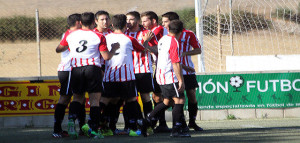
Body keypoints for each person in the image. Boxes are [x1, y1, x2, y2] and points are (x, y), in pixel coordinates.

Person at [56, 12, 119, 139]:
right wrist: (113, 49)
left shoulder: (70, 35)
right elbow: (106, 57)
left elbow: (59, 49)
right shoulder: (98, 36)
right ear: (93, 22)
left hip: (76, 69)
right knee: (94, 100)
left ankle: (71, 121)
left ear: (81, 22)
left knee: (77, 98)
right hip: (92, 69)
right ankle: (94, 129)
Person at [99, 14, 155, 137]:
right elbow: (142, 49)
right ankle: (136, 128)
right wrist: (146, 40)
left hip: (110, 75)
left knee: (106, 100)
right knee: (131, 100)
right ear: (125, 25)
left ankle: (96, 123)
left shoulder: (105, 38)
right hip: (126, 76)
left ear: (112, 25)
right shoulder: (129, 39)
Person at [143, 20, 191, 138]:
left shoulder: (163, 39)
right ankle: (176, 130)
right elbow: (175, 63)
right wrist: (180, 80)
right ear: (181, 30)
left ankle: (147, 120)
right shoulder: (174, 42)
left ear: (168, 29)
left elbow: (164, 56)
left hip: (160, 75)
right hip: (169, 76)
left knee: (167, 102)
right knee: (179, 101)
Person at [161, 11, 203, 131]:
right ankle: (179, 123)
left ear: (174, 22)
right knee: (173, 99)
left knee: (191, 95)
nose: (163, 24)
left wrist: (184, 53)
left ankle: (192, 122)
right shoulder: (165, 36)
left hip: (187, 71)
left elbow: (198, 50)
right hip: (171, 71)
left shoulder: (188, 34)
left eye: (165, 22)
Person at [53, 13, 86, 138]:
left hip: (76, 70)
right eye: (81, 21)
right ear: (78, 22)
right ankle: (57, 129)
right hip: (69, 70)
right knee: (65, 98)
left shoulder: (74, 34)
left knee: (80, 98)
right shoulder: (70, 34)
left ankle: (82, 127)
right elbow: (58, 48)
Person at [125, 11, 157, 132]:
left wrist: (146, 45)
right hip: (128, 71)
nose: (128, 22)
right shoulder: (123, 33)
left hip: (143, 70)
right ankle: (132, 124)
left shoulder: (146, 33)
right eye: (127, 19)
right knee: (130, 98)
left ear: (138, 21)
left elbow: (157, 49)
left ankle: (148, 125)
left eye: (131, 19)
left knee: (145, 97)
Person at [140, 11, 170, 133]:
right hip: (159, 68)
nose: (142, 24)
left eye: (145, 21)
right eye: (141, 21)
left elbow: (158, 49)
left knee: (164, 97)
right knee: (158, 96)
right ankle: (160, 123)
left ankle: (153, 119)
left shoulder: (156, 30)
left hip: (163, 68)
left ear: (153, 21)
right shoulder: (156, 30)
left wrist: (144, 46)